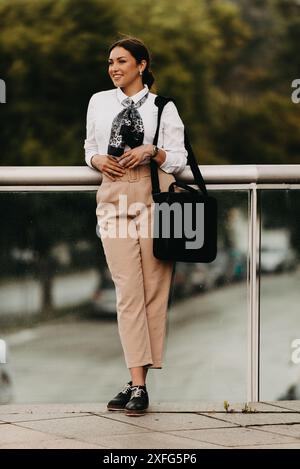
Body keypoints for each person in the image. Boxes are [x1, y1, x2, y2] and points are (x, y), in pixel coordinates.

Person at [84, 36, 188, 416]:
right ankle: (138, 383)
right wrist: (97, 160)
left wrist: (152, 151)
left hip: (153, 198)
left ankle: (137, 382)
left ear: (142, 65)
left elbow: (177, 159)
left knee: (152, 293)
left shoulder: (164, 107)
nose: (114, 68)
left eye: (122, 61)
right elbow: (88, 147)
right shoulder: (99, 101)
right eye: (110, 62)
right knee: (127, 292)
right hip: (113, 198)